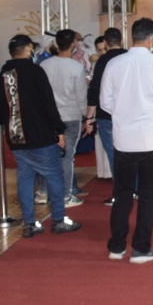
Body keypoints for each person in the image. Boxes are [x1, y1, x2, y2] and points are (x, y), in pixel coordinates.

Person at [101, 18, 153, 263]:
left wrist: (125, 112)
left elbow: (105, 102)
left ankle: (116, 247)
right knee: (148, 195)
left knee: (122, 194)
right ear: (152, 39)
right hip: (151, 138)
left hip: (123, 139)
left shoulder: (115, 63)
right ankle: (140, 248)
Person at [0, 34, 80, 238]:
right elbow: (48, 103)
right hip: (40, 136)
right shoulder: (35, 71)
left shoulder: (3, 75)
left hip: (17, 138)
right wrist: (58, 130)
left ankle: (30, 223)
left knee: (25, 178)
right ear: (28, 49)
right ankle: (58, 219)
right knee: (54, 176)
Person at [41, 29, 89, 206]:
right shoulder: (76, 67)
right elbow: (81, 95)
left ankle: (44, 192)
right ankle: (66, 195)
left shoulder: (45, 65)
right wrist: (86, 116)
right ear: (73, 46)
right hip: (71, 116)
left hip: (49, 117)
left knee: (48, 156)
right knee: (67, 157)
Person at [87, 27, 127, 204]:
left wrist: (89, 117)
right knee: (130, 151)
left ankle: (120, 192)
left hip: (106, 114)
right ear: (122, 40)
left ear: (105, 42)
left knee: (113, 153)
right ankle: (134, 188)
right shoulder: (129, 57)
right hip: (128, 112)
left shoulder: (103, 61)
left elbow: (95, 90)